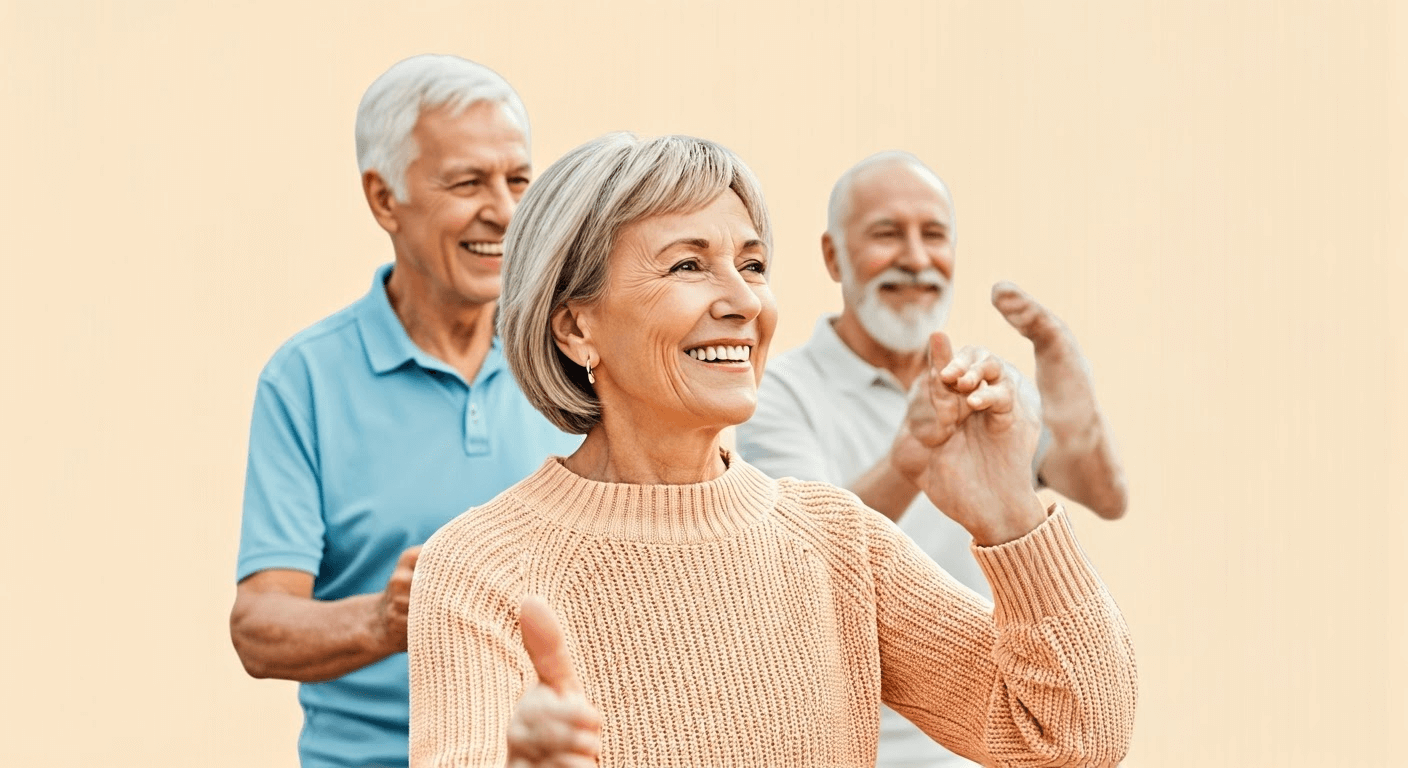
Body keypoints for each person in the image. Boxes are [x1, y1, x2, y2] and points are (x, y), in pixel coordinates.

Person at [407, 133, 1137, 767]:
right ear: (575, 329)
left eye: (752, 265)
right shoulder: (480, 566)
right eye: (688, 265)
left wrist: (1011, 517)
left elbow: (1073, 736)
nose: (745, 301)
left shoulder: (838, 540)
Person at [229, 55, 580, 768]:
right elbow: (259, 627)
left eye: (518, 181)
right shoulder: (306, 378)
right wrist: (386, 619)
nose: (505, 212)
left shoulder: (576, 354)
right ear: (384, 200)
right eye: (467, 183)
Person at [736, 151, 1130, 767]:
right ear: (834, 256)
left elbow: (1105, 495)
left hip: (998, 745)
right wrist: (907, 462)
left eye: (934, 235)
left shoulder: (979, 388)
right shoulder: (776, 392)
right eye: (886, 234)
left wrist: (1071, 397)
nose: (916, 260)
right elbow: (798, 570)